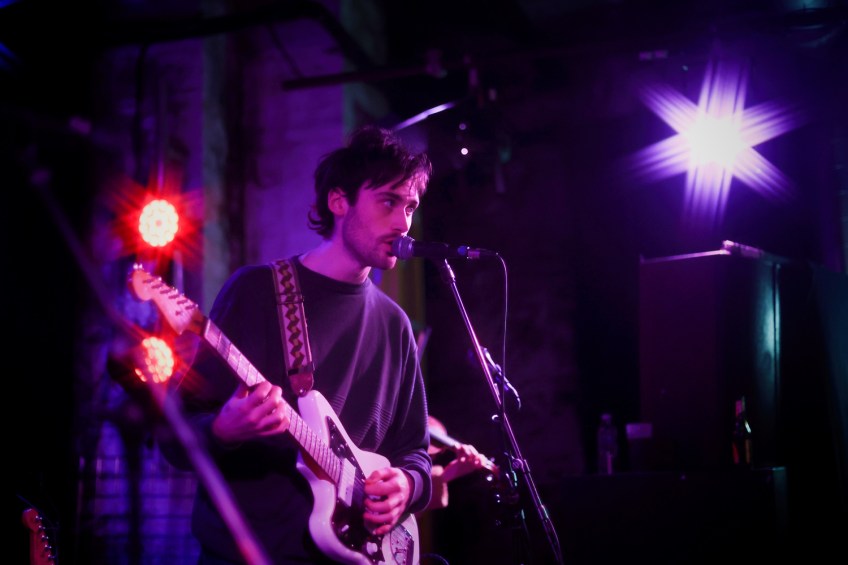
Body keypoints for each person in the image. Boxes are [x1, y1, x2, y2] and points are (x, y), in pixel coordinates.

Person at [159, 125, 434, 564]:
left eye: (411, 207)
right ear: (339, 201)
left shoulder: (395, 325)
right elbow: (171, 435)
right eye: (388, 201)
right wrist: (223, 429)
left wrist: (408, 485)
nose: (404, 222)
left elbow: (414, 451)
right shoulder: (256, 292)